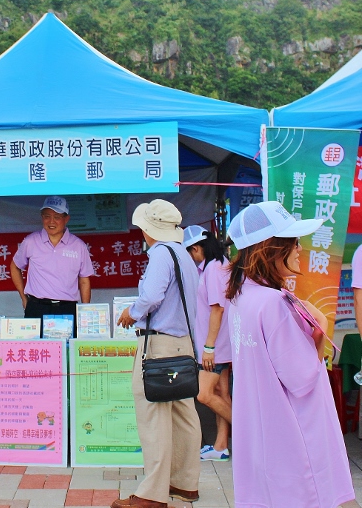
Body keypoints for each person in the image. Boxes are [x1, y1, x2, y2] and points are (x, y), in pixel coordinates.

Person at [226, 201, 357, 508]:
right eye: (293, 242)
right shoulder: (272, 302)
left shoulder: (241, 297)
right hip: (295, 435)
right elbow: (302, 377)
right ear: (270, 249)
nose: (300, 248)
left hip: (264, 433)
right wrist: (320, 327)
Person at [114, 200, 201, 508]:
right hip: (183, 343)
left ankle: (152, 494)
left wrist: (131, 312)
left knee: (154, 416)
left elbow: (151, 296)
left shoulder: (161, 254)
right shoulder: (184, 255)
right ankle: (185, 483)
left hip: (159, 344)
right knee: (183, 414)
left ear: (149, 229)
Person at [182, 225, 232, 462]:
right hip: (216, 344)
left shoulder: (213, 269)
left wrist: (209, 347)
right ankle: (221, 446)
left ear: (197, 248)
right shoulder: (216, 265)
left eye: (190, 253)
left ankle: (249, 433)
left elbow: (217, 308)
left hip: (215, 346)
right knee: (221, 393)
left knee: (203, 395)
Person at [10, 196, 94, 336]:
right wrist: (24, 298)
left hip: (67, 309)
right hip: (37, 307)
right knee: (35, 353)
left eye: (57, 217)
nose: (51, 221)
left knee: (66, 353)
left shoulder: (78, 246)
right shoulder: (31, 241)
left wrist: (84, 312)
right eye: (47, 216)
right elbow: (15, 266)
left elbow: (84, 280)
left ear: (66, 219)